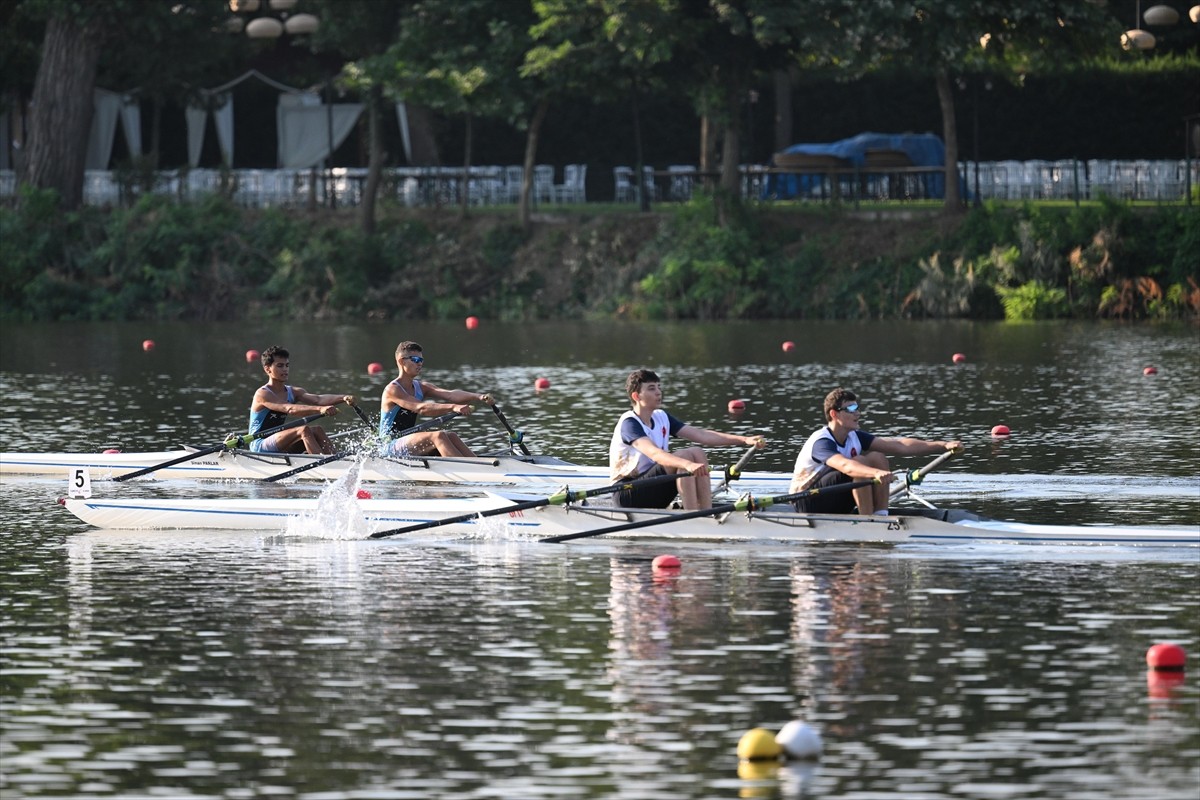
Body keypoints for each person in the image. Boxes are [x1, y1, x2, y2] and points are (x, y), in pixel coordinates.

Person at [609, 368, 765, 510]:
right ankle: (692, 516)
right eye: (651, 388)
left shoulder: (661, 417)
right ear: (636, 396)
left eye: (659, 387)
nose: (658, 392)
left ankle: (705, 511)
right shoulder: (629, 423)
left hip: (653, 488)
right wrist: (687, 464)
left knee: (696, 451)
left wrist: (744, 440)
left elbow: (702, 435)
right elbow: (655, 454)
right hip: (627, 493)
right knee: (684, 457)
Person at [790, 387, 961, 516]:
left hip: (835, 498)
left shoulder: (854, 436)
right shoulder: (821, 441)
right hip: (807, 502)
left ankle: (880, 516)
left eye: (857, 408)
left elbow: (900, 445)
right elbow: (846, 466)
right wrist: (877, 473)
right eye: (850, 409)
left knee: (877, 456)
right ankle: (867, 521)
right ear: (834, 414)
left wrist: (943, 445)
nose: (858, 413)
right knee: (860, 463)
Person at [379, 341, 495, 457]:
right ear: (401, 361)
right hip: (389, 445)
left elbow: (450, 395)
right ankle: (466, 470)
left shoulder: (421, 387)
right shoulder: (393, 390)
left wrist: (478, 396)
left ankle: (479, 467)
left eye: (421, 360)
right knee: (438, 436)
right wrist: (453, 407)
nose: (420, 364)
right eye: (415, 360)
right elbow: (421, 408)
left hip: (408, 442)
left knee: (451, 436)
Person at [248, 345, 356, 455]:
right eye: (280, 366)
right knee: (303, 430)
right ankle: (323, 465)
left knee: (317, 430)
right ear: (268, 369)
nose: (285, 369)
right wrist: (320, 409)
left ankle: (336, 461)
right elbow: (289, 409)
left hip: (280, 440)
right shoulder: (263, 394)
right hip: (259, 444)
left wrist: (343, 397)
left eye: (287, 365)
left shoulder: (294, 392)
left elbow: (318, 399)